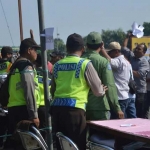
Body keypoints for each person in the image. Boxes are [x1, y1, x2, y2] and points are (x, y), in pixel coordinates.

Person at [50, 33, 107, 150]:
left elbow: (53, 89)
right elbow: (98, 91)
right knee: (77, 145)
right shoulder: (84, 63)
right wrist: (102, 90)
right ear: (83, 48)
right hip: (75, 110)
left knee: (61, 144)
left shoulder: (56, 65)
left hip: (57, 110)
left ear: (66, 48)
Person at [6, 38, 41, 148]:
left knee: (17, 145)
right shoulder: (26, 66)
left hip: (12, 109)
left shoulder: (15, 65)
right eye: (35, 50)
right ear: (29, 50)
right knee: (29, 145)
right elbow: (29, 90)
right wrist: (34, 115)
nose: (37, 53)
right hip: (24, 111)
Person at [82, 32, 123, 121]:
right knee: (101, 134)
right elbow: (110, 85)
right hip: (100, 107)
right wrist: (117, 108)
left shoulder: (80, 61)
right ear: (102, 44)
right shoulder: (103, 62)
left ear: (86, 45)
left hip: (82, 106)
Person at [101, 42, 136, 118]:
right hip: (127, 96)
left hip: (120, 97)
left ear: (116, 51)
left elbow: (109, 60)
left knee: (118, 123)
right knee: (129, 120)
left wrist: (102, 49)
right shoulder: (126, 61)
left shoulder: (118, 61)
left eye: (110, 52)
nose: (109, 54)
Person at [122, 36, 149, 118]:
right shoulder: (132, 56)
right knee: (131, 114)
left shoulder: (144, 62)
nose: (136, 50)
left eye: (139, 49)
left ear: (144, 52)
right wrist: (128, 37)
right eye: (136, 48)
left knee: (140, 114)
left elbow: (139, 74)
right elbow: (123, 48)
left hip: (140, 92)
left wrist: (128, 69)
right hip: (130, 90)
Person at [34, 54, 51, 139]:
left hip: (35, 106)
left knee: (36, 131)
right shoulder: (50, 74)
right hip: (47, 105)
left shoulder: (33, 72)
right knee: (45, 131)